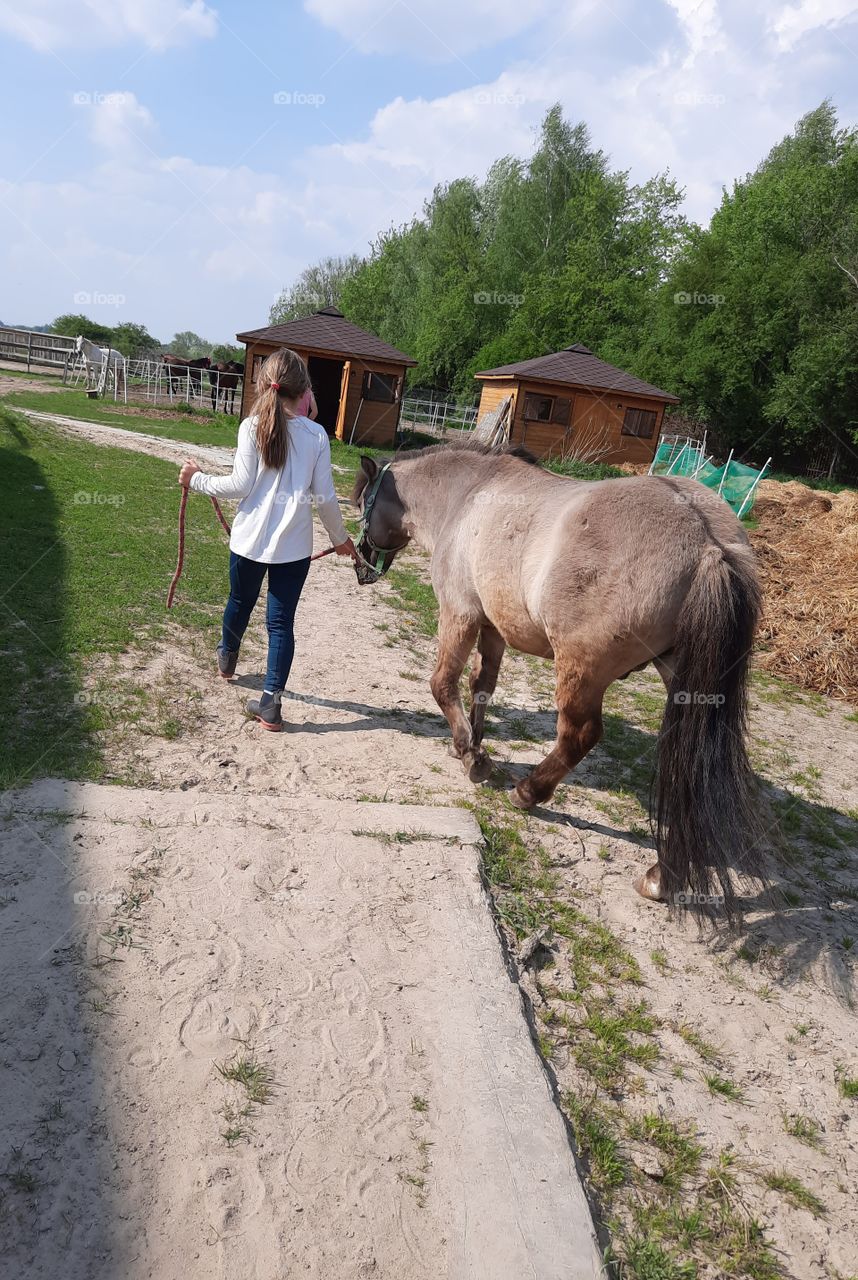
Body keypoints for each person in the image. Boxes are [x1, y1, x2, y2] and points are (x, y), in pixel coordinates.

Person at [178, 347, 356, 731]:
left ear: (264, 385)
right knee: (281, 624)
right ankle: (271, 704)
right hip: (292, 551)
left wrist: (197, 479)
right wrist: (340, 538)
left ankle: (227, 657)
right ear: (303, 390)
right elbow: (324, 498)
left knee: (239, 601)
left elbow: (238, 485)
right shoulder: (316, 436)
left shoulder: (250, 426)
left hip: (248, 544)